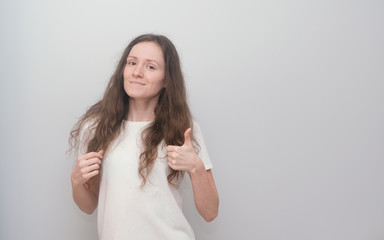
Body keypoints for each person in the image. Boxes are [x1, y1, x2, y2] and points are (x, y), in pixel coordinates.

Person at [69, 34, 219, 239]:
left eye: (150, 67)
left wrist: (196, 168)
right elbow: (88, 207)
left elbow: (210, 213)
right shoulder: (96, 128)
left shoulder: (184, 128)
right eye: (132, 63)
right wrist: (77, 181)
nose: (137, 72)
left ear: (166, 79)